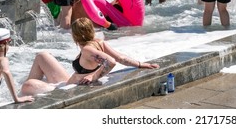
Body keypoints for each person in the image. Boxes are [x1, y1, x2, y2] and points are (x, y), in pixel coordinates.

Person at [20, 17, 159, 96]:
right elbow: (121, 58)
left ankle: (21, 98)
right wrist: (140, 64)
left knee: (27, 86)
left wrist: (93, 76)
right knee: (42, 56)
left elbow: (111, 62)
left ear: (75, 35)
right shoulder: (98, 43)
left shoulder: (87, 49)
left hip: (68, 89)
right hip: (68, 81)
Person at [0, 28, 34, 106]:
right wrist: (17, 99)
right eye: (9, 42)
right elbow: (6, 73)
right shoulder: (2, 60)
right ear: (5, 43)